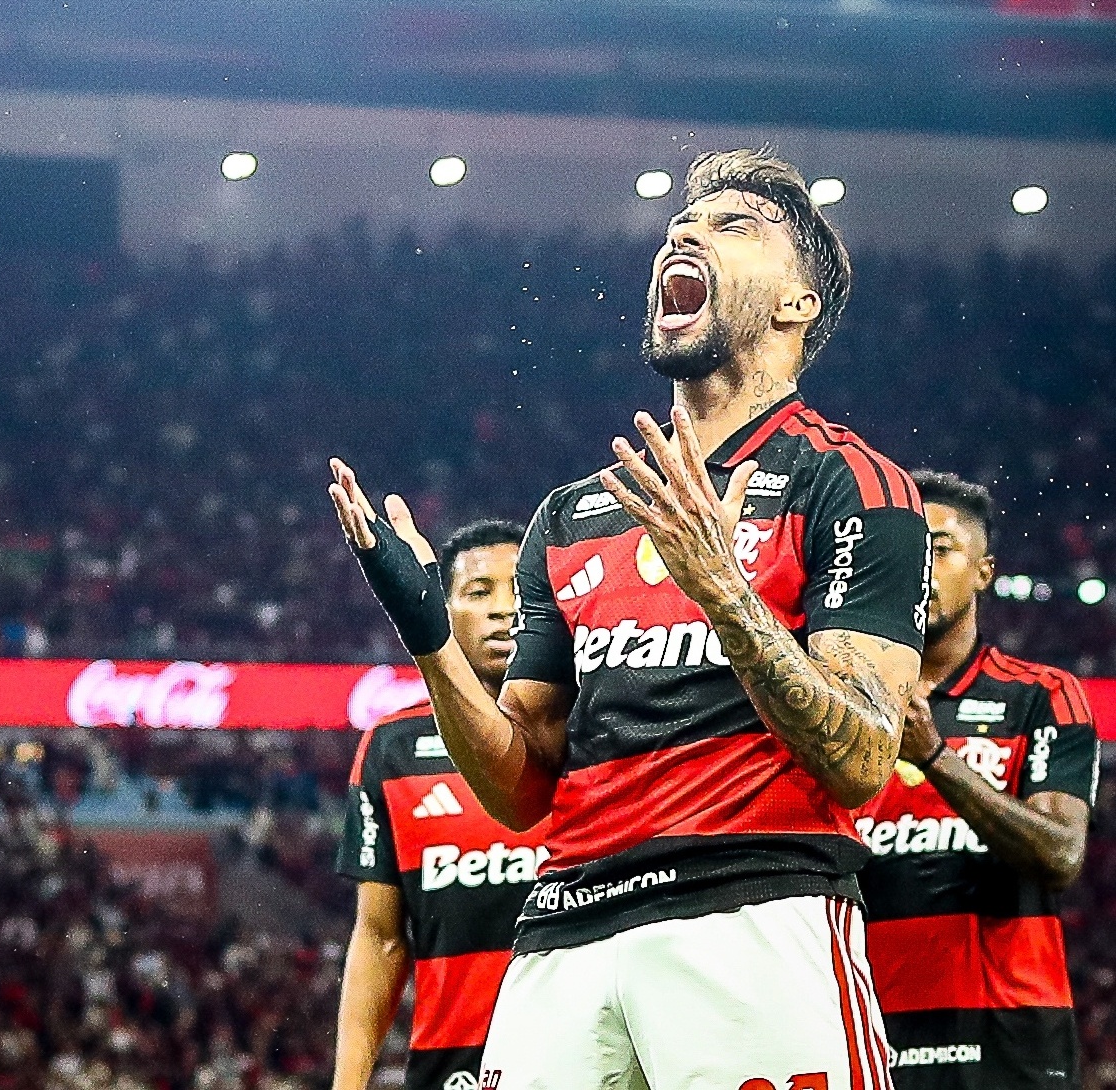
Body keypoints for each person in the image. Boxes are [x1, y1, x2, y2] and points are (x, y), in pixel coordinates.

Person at [329, 147, 931, 1090]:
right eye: (680, 226)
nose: (682, 234)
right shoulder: (568, 516)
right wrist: (430, 641)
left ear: (794, 305)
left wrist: (724, 593)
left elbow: (860, 760)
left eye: (733, 226)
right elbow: (521, 790)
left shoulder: (850, 482)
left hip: (753, 913)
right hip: (564, 931)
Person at [856, 471, 1098, 1088]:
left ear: (985, 571)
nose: (919, 568)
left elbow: (1060, 853)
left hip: (1007, 1037)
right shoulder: (842, 701)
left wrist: (934, 756)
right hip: (868, 1028)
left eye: (938, 550)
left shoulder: (1042, 696)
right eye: (905, 550)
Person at [332, 520, 551, 1090]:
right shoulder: (393, 749)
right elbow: (380, 937)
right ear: (442, 609)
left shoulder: (590, 730)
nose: (506, 609)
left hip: (580, 1052)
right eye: (480, 592)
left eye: (523, 591)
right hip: (449, 1068)